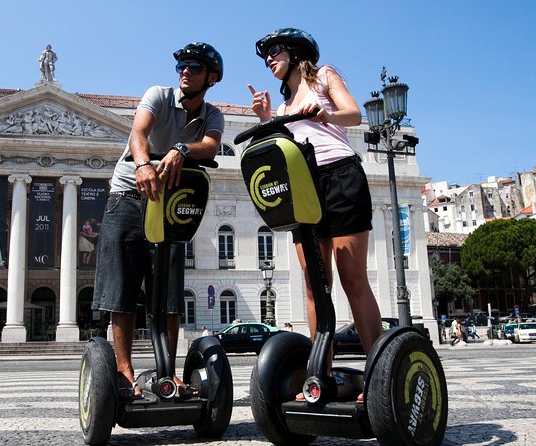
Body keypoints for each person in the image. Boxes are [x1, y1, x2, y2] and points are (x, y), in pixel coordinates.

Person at [248, 28, 382, 402]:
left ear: (294, 51)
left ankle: (376, 373)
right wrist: (266, 118)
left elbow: (353, 114)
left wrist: (326, 113)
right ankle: (319, 375)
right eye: (265, 57)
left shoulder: (323, 76)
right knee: (312, 283)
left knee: (351, 278)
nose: (269, 61)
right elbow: (284, 145)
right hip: (305, 188)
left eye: (274, 52)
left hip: (341, 176)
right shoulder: (286, 106)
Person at [92, 42, 224, 400]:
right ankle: (123, 372)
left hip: (170, 204)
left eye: (195, 67)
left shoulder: (212, 115)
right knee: (122, 285)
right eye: (182, 65)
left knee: (168, 291)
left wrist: (181, 149)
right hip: (128, 195)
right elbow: (139, 133)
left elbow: (211, 147)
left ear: (212, 78)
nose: (185, 70)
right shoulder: (159, 95)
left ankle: (168, 371)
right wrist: (143, 165)